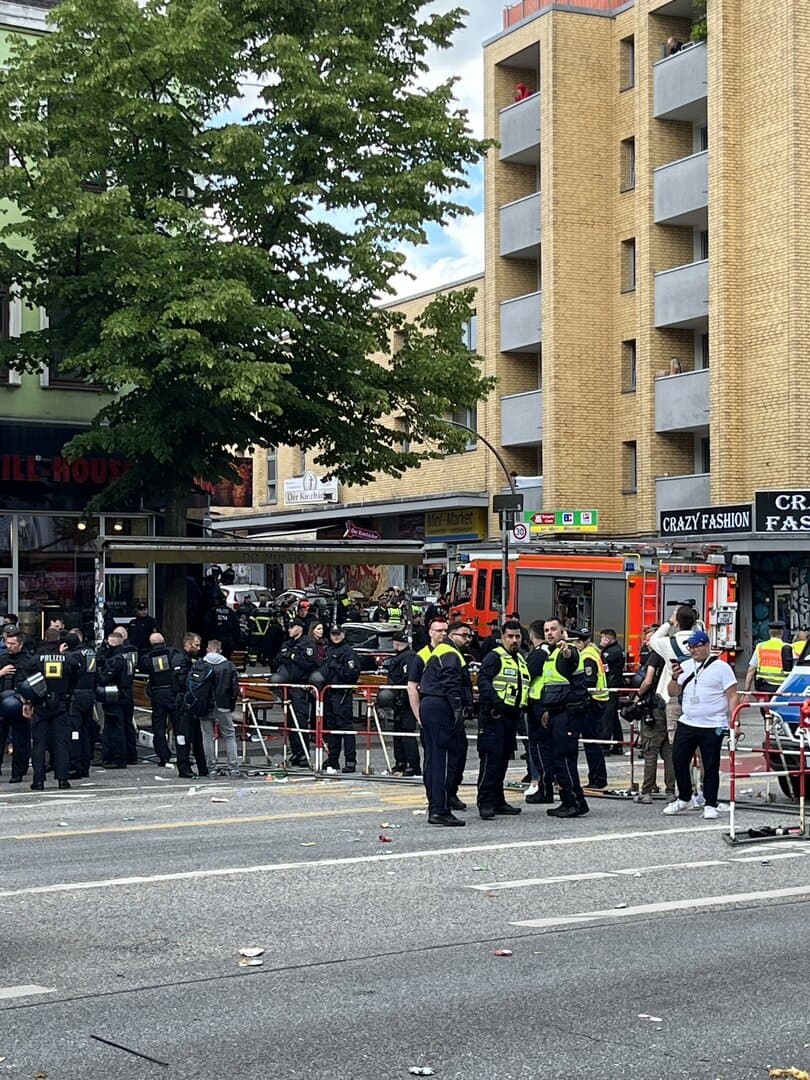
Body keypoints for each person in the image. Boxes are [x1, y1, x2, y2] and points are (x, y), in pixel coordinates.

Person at [663, 629, 739, 819]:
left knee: (710, 764)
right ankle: (685, 797)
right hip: (688, 721)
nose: (693, 650)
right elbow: (673, 692)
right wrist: (674, 677)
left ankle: (710, 803)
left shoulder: (722, 668)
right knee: (678, 759)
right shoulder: (686, 666)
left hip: (713, 723)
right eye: (690, 647)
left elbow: (732, 696)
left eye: (696, 646)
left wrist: (735, 721)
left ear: (706, 646)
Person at [414, 619, 472, 826]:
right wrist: (457, 708)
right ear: (453, 636)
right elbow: (450, 682)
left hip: (431, 705)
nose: (467, 640)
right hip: (440, 706)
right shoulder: (450, 652)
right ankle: (441, 809)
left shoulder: (441, 651)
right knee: (443, 761)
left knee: (434, 759)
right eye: (464, 635)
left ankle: (436, 806)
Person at [475, 620, 527, 820]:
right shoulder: (494, 657)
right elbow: (483, 681)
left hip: (511, 717)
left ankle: (498, 800)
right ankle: (485, 802)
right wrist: (496, 702)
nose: (514, 640)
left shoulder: (520, 659)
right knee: (491, 760)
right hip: (493, 717)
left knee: (503, 760)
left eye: (517, 637)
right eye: (510, 637)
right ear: (503, 638)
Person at [538, 618, 590, 819]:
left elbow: (570, 658)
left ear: (563, 632)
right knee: (560, 759)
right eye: (546, 630)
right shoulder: (550, 655)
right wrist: (548, 711)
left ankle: (574, 802)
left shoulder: (567, 651)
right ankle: (571, 801)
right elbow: (554, 688)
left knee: (565, 759)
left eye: (553, 629)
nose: (549, 633)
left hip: (568, 715)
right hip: (558, 713)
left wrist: (566, 649)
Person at [23, 628, 76, 790]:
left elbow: (26, 679)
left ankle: (38, 781)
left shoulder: (35, 659)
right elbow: (76, 672)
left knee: (39, 743)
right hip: (61, 704)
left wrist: (28, 701)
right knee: (61, 742)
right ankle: (62, 779)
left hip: (40, 704)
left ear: (44, 638)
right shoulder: (67, 659)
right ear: (59, 640)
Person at [634, 639, 675, 802]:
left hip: (655, 707)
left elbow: (648, 680)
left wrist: (637, 696)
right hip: (671, 705)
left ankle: (646, 791)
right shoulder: (674, 653)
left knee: (650, 751)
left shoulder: (655, 656)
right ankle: (670, 792)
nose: (647, 641)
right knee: (668, 752)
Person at [571, 628, 608, 790]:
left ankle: (597, 778)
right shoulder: (593, 652)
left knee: (591, 743)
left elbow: (589, 680)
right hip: (598, 701)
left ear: (580, 642)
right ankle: (597, 776)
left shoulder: (586, 657)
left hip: (593, 702)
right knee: (592, 742)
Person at [140, 632, 184, 768]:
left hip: (157, 694)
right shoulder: (172, 653)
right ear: (163, 641)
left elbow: (143, 668)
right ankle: (182, 754)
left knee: (158, 728)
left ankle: (163, 756)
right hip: (172, 693)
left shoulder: (147, 658)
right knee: (179, 726)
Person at [200, 638, 241, 776]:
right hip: (223, 703)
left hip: (204, 704)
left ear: (207, 649)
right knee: (229, 735)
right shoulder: (228, 665)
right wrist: (231, 704)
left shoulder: (201, 664)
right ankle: (233, 767)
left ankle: (211, 767)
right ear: (220, 650)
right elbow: (235, 688)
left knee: (207, 736)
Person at [322, 625, 361, 773]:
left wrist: (336, 666)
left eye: (338, 634)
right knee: (332, 729)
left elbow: (352, 673)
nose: (336, 636)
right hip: (330, 693)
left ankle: (350, 761)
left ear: (343, 635)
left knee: (346, 728)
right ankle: (333, 759)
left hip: (342, 693)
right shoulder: (329, 650)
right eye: (333, 634)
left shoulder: (348, 652)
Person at [382, 632, 421, 776]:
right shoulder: (401, 656)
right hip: (399, 700)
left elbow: (408, 680)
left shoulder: (408, 657)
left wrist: (403, 699)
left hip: (406, 700)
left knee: (407, 733)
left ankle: (413, 765)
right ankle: (400, 763)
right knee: (398, 733)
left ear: (396, 642)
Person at [525, 620, 554, 804]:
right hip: (545, 704)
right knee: (544, 749)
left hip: (539, 705)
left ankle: (544, 790)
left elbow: (528, 675)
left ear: (531, 635)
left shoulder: (539, 654)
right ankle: (546, 788)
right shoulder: (550, 652)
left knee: (539, 749)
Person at [0, 628, 32, 782]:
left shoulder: (28, 661)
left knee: (21, 740)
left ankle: (18, 772)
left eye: (13, 643)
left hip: (20, 704)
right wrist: (1, 673)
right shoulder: (2, 659)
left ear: (20, 644)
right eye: (8, 643)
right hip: (1, 702)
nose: (9, 646)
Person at [174, 632, 208, 778]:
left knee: (197, 737)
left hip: (192, 703)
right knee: (183, 737)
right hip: (183, 702)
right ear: (187, 644)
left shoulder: (195, 660)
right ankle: (184, 767)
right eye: (196, 645)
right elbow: (181, 682)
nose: (199, 648)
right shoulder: (180, 659)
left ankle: (202, 767)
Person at [66, 629, 98, 780]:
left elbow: (69, 674)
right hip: (89, 694)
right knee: (85, 732)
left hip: (76, 696)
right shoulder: (90, 652)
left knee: (74, 732)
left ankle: (75, 766)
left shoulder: (73, 656)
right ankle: (85, 767)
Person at [97, 630, 129, 769]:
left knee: (115, 728)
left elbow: (105, 677)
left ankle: (117, 758)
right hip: (122, 694)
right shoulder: (125, 656)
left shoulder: (116, 659)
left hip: (115, 695)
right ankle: (113, 757)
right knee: (115, 727)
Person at [111, 625, 139, 765]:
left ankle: (121, 756)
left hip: (119, 691)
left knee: (119, 724)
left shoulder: (117, 656)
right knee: (128, 723)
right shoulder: (131, 652)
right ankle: (132, 754)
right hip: (128, 690)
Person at [744, 620, 794, 697]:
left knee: (764, 706)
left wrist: (746, 691)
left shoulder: (760, 646)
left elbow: (751, 670)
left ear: (769, 632)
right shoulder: (788, 647)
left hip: (763, 686)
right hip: (782, 686)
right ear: (782, 633)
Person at [599, 628, 626, 754]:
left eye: (602, 638)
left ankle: (605, 745)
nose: (601, 640)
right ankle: (618, 743)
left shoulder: (611, 652)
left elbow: (602, 664)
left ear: (608, 639)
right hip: (614, 685)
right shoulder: (617, 650)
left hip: (611, 686)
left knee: (607, 716)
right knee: (613, 717)